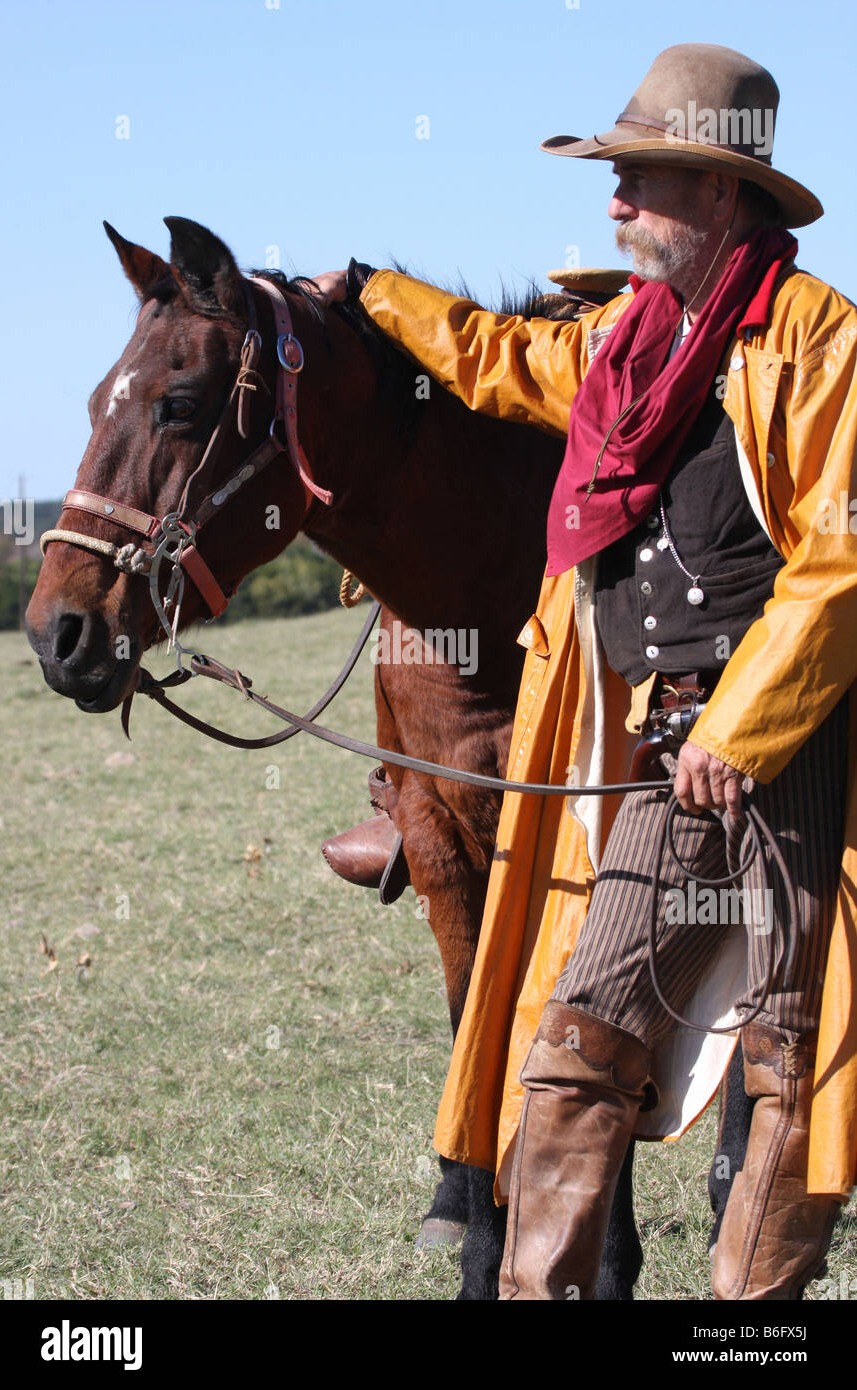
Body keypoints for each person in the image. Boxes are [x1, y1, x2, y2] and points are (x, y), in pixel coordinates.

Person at [312, 42, 857, 1300]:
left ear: (721, 197)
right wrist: (375, 295)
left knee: (784, 1072)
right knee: (568, 1045)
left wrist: (744, 724)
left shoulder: (819, 345)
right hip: (665, 760)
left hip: (789, 762)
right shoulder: (625, 345)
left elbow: (838, 564)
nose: (611, 203)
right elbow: (497, 356)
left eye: (640, 179)